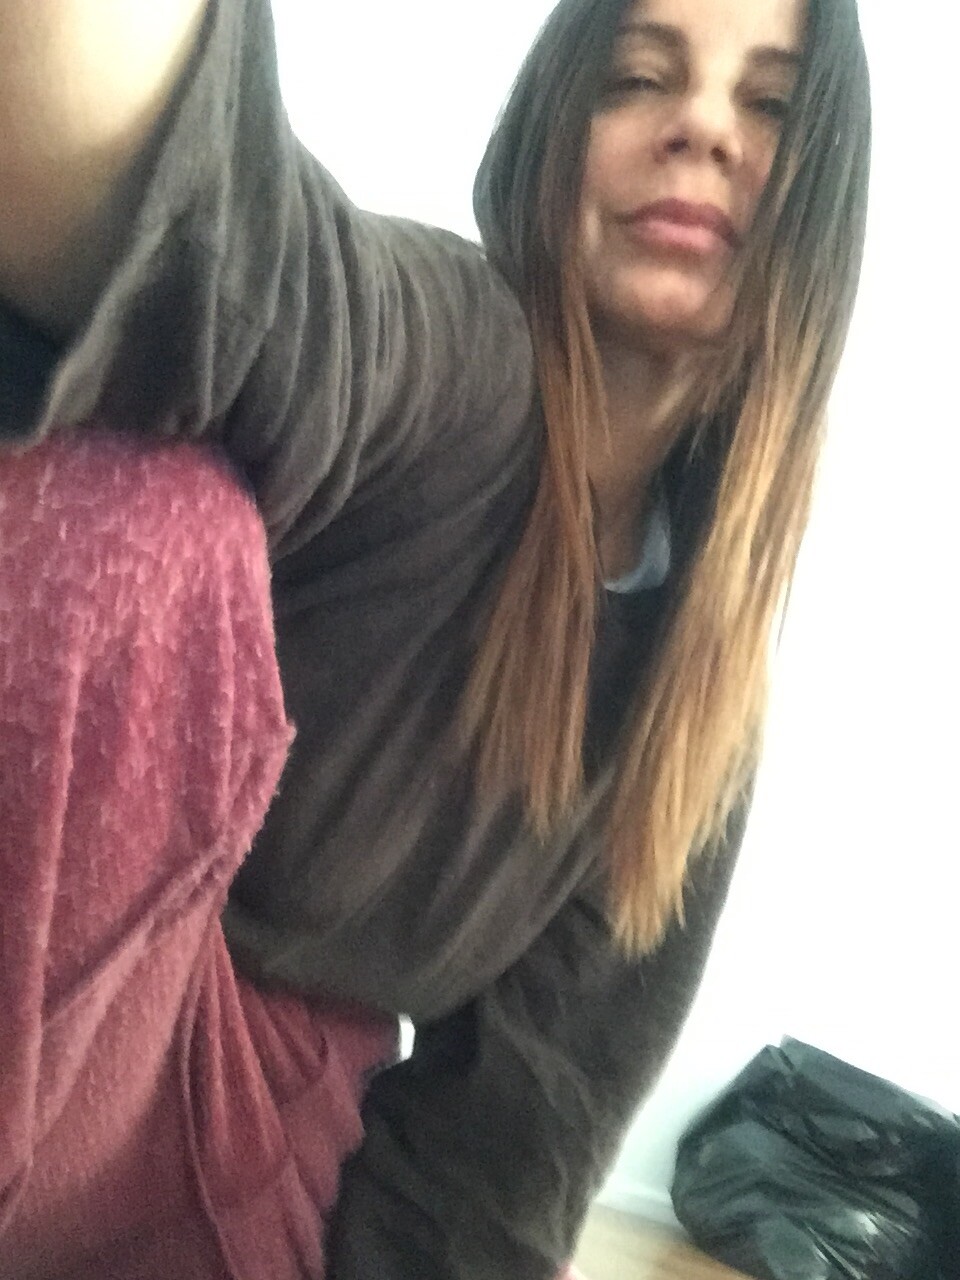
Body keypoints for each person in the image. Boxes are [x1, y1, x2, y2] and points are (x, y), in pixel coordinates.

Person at [0, 0, 870, 1276]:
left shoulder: (699, 710)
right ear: (553, 135)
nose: (700, 125)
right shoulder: (462, 360)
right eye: (639, 78)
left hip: (257, 1156)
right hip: (63, 1008)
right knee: (139, 513)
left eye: (771, 105)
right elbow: (255, 282)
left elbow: (510, 1143)